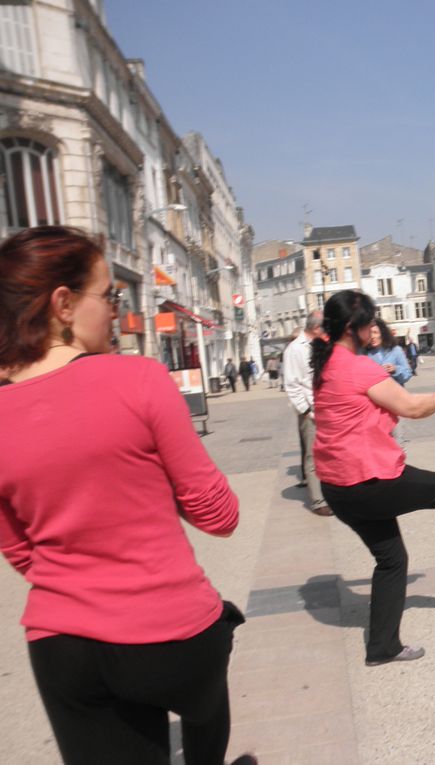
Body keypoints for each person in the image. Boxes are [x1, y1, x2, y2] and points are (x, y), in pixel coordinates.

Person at [0, 226, 249, 765]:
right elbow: (219, 516)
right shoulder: (139, 379)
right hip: (171, 633)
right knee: (210, 692)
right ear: (63, 303)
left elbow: (20, 550)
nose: (116, 312)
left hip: (62, 643)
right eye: (109, 296)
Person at [310, 291, 435, 666]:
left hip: (337, 488)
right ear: (353, 327)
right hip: (364, 481)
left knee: (391, 559)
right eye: (370, 322)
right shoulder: (358, 367)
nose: (374, 328)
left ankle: (382, 646)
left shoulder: (327, 366)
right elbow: (412, 407)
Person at [284, 312, 331, 516]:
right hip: (310, 412)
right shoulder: (295, 349)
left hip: (325, 408)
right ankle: (318, 501)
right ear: (316, 329)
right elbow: (292, 384)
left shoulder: (317, 346)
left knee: (328, 454)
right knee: (313, 455)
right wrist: (306, 410)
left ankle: (328, 493)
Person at [365, 320, 412, 385]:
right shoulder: (364, 353)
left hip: (395, 393)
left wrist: (395, 370)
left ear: (383, 334)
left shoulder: (396, 350)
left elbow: (408, 374)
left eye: (375, 332)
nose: (372, 337)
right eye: (369, 334)